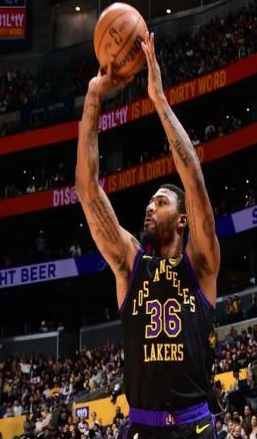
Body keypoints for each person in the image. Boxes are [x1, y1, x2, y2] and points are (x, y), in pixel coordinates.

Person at [76, 31, 220, 439]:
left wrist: (158, 99)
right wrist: (93, 97)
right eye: (150, 202)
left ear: (182, 220)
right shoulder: (131, 265)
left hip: (193, 425)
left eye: (160, 202)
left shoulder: (201, 265)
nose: (149, 207)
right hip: (141, 426)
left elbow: (193, 179)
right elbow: (87, 191)